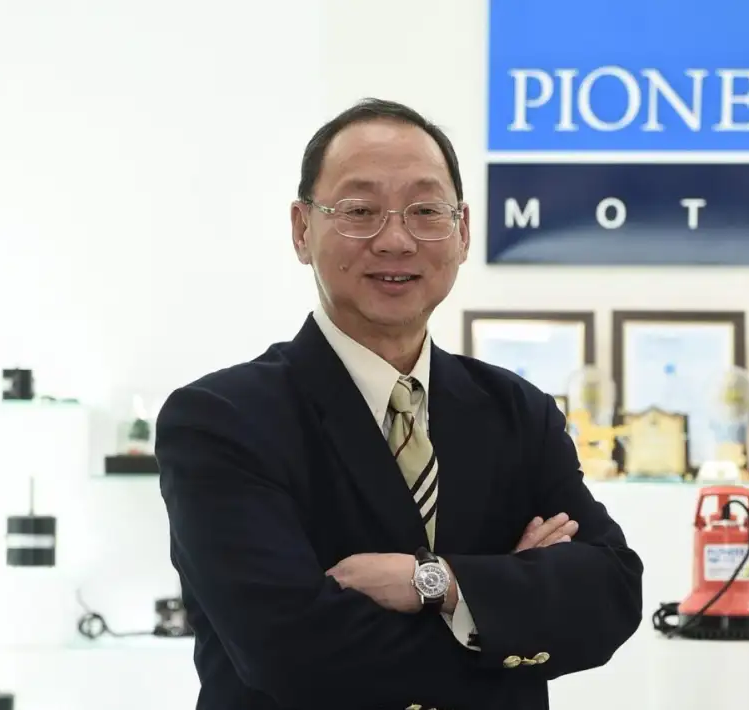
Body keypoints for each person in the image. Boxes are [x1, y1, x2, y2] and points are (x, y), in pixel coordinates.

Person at [156, 98, 644, 710]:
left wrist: (434, 583)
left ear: (462, 232)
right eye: (360, 211)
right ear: (302, 230)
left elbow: (610, 592)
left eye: (426, 210)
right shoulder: (221, 420)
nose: (395, 240)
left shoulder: (517, 411)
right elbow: (291, 651)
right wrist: (504, 612)